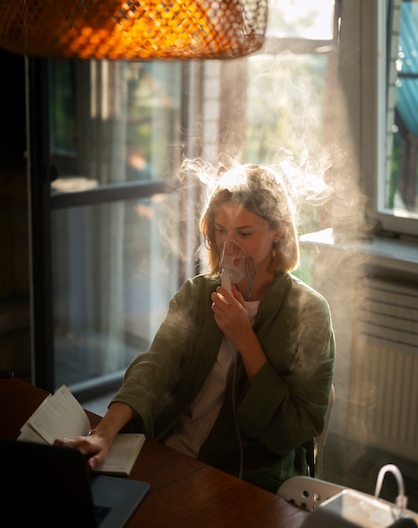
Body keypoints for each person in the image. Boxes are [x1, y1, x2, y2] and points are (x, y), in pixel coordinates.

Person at [55, 163, 335, 493]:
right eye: (220, 230)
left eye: (244, 233)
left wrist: (245, 338)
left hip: (245, 480)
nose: (229, 246)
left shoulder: (308, 313)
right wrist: (103, 433)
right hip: (173, 453)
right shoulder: (199, 294)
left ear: (279, 231)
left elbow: (299, 424)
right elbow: (156, 366)